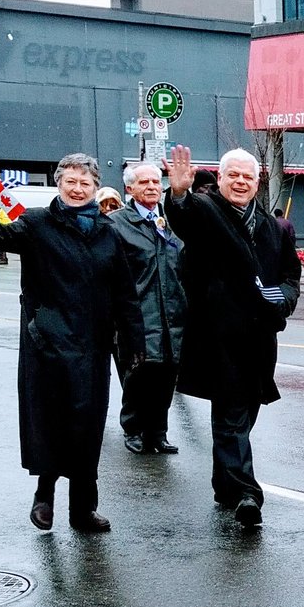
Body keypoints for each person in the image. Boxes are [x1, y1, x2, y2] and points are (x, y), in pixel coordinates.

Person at [0, 153, 143, 533]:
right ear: (59, 184)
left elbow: (125, 293)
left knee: (88, 428)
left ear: (96, 188)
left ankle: (83, 511)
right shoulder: (36, 223)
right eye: (70, 182)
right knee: (50, 423)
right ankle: (44, 497)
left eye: (85, 183)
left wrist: (134, 340)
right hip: (46, 344)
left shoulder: (109, 234)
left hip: (92, 347)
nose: (77, 189)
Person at [165, 145, 301, 528]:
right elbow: (183, 216)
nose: (240, 182)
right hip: (219, 336)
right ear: (220, 179)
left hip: (259, 338)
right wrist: (177, 195)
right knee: (231, 416)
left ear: (257, 182)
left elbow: (290, 275)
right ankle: (246, 493)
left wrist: (284, 301)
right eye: (233, 175)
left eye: (248, 176)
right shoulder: (205, 211)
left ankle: (224, 485)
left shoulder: (272, 227)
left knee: (242, 417)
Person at [110, 163, 188, 454]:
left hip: (173, 313)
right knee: (138, 374)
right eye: (144, 182)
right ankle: (134, 428)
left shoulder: (171, 221)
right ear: (130, 188)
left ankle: (158, 431)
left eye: (156, 181)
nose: (152, 187)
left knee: (167, 375)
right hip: (137, 315)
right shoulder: (117, 224)